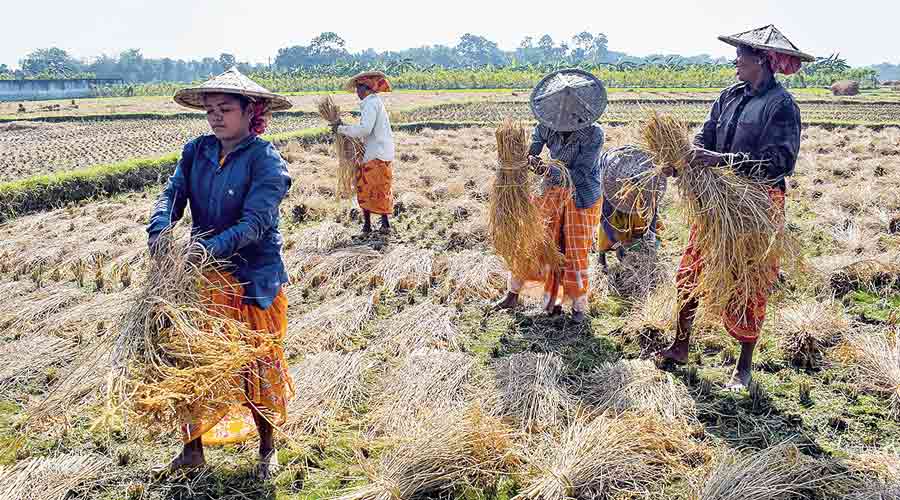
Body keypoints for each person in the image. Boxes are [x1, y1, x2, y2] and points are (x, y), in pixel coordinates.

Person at [146, 67, 294, 479]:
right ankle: (192, 449)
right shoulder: (197, 151)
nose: (215, 116)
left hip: (252, 279)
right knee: (190, 362)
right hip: (200, 279)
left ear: (252, 112)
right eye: (210, 109)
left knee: (257, 366)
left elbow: (256, 224)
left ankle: (267, 448)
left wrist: (205, 250)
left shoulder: (266, 161)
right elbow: (171, 195)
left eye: (225, 108)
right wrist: (160, 230)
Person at [659, 25, 812, 390]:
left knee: (749, 281)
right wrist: (686, 157)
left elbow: (780, 163)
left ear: (761, 59)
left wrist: (722, 160)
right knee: (691, 271)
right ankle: (680, 345)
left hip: (756, 206)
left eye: (741, 56)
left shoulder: (782, 105)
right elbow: (705, 134)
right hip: (717, 202)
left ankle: (743, 367)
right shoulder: (729, 96)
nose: (735, 62)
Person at [494, 69, 607, 324]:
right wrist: (519, 160)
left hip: (582, 195)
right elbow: (531, 150)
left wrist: (546, 168)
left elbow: (580, 172)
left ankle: (578, 307)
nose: (562, 121)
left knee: (575, 250)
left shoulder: (593, 133)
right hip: (550, 192)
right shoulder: (546, 126)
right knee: (536, 244)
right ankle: (515, 295)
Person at [335, 71, 395, 235]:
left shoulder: (370, 104)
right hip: (383, 151)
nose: (357, 92)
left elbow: (365, 129)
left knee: (366, 187)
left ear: (366, 88)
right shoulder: (375, 102)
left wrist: (341, 129)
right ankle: (383, 224)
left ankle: (369, 226)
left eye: (358, 88)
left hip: (376, 153)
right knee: (381, 187)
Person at [596, 145, 665, 273]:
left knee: (646, 228)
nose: (632, 196)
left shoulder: (648, 187)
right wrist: (616, 245)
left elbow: (654, 213)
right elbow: (603, 219)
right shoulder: (609, 188)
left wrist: (651, 235)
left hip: (638, 212)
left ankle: (637, 245)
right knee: (608, 227)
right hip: (616, 214)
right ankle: (601, 258)